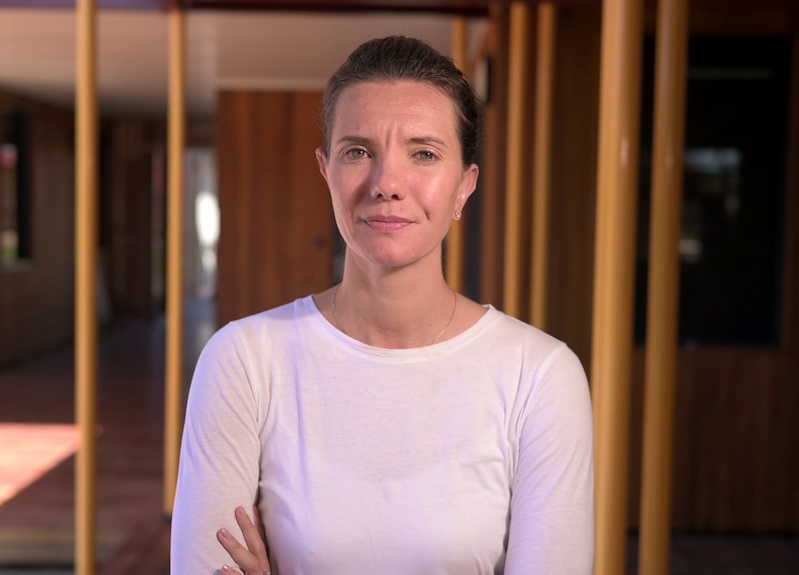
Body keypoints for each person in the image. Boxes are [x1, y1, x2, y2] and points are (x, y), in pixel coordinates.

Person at [170, 35, 594, 574]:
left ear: (465, 185)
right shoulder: (243, 361)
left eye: (424, 153)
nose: (387, 183)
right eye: (358, 151)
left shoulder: (540, 377)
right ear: (326, 170)